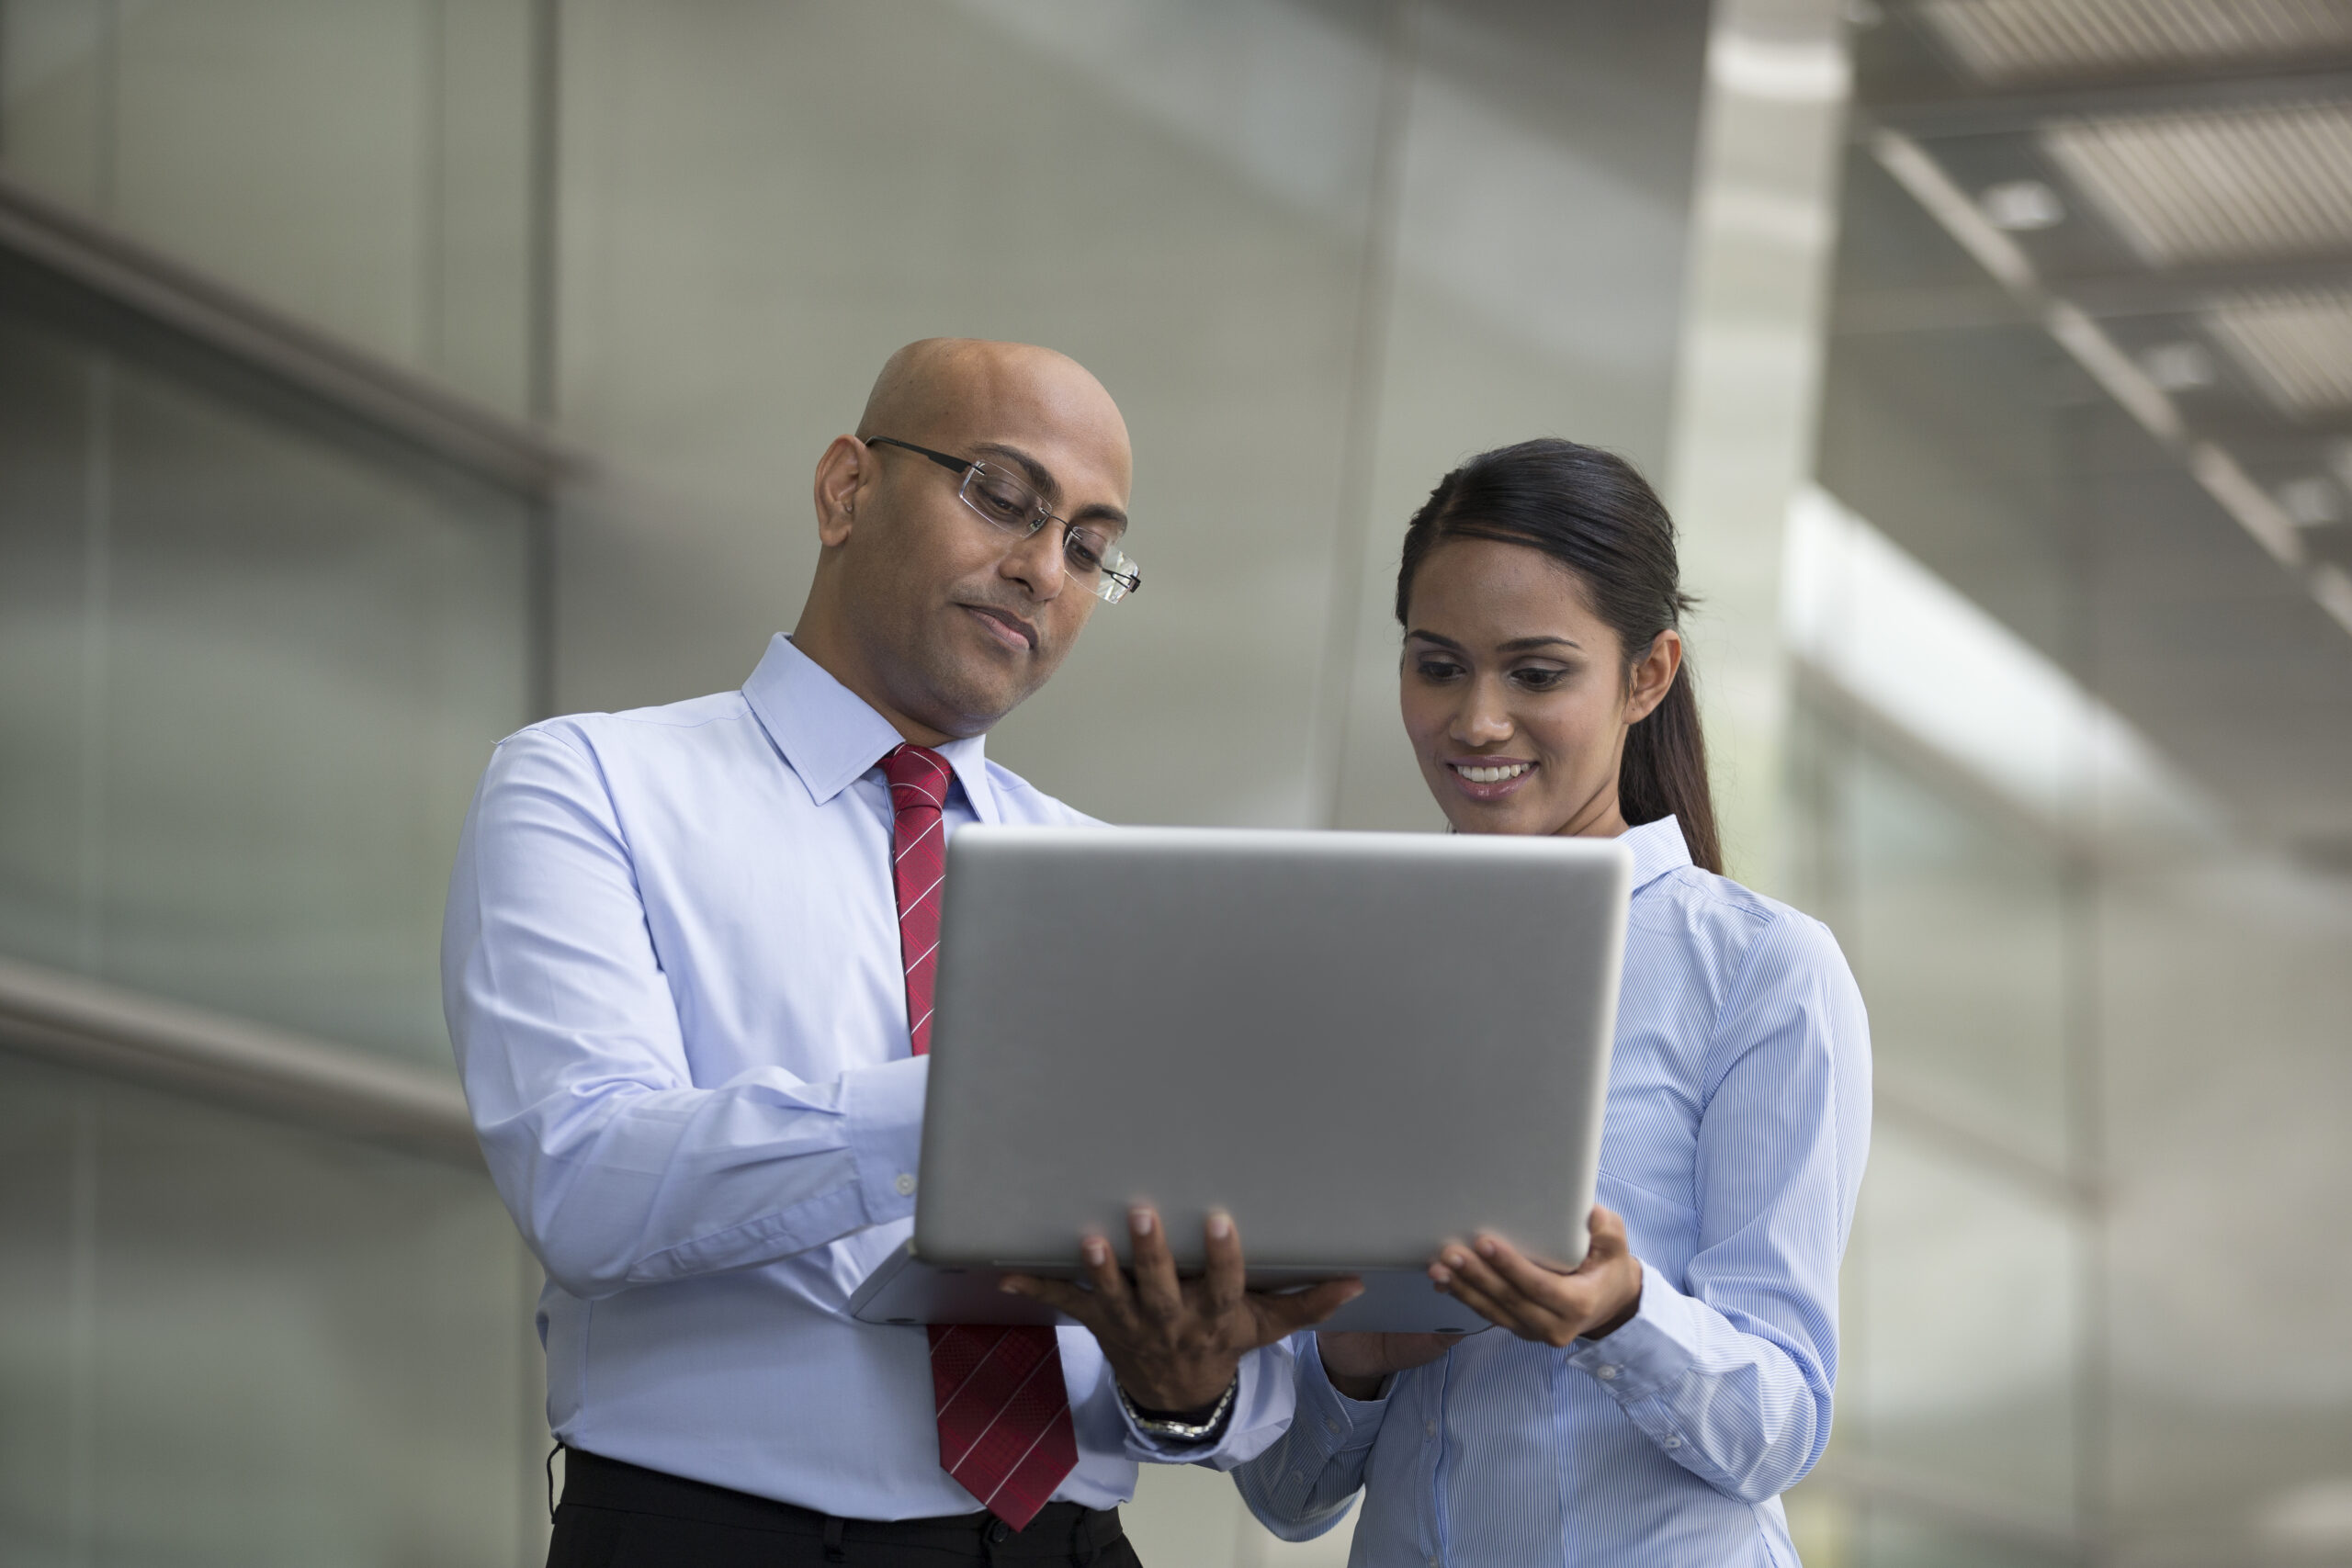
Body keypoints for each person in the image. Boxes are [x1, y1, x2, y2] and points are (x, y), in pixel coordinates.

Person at [443, 339, 1355, 1568]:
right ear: (844, 488)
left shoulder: (1127, 887)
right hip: (718, 1537)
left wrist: (1181, 1386)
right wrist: (976, 1107)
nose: (1042, 569)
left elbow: (1228, 1397)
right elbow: (588, 1180)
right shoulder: (591, 783)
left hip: (1066, 1543)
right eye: (1003, 496)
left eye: (1089, 546)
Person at [1232, 438, 1872, 1565]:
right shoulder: (1343, 967)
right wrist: (1355, 1365)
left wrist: (1621, 1317)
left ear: (1646, 675)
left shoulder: (1758, 972)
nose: (1476, 721)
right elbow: (1288, 1497)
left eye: (1535, 673)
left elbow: (1782, 1427)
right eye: (1437, 666)